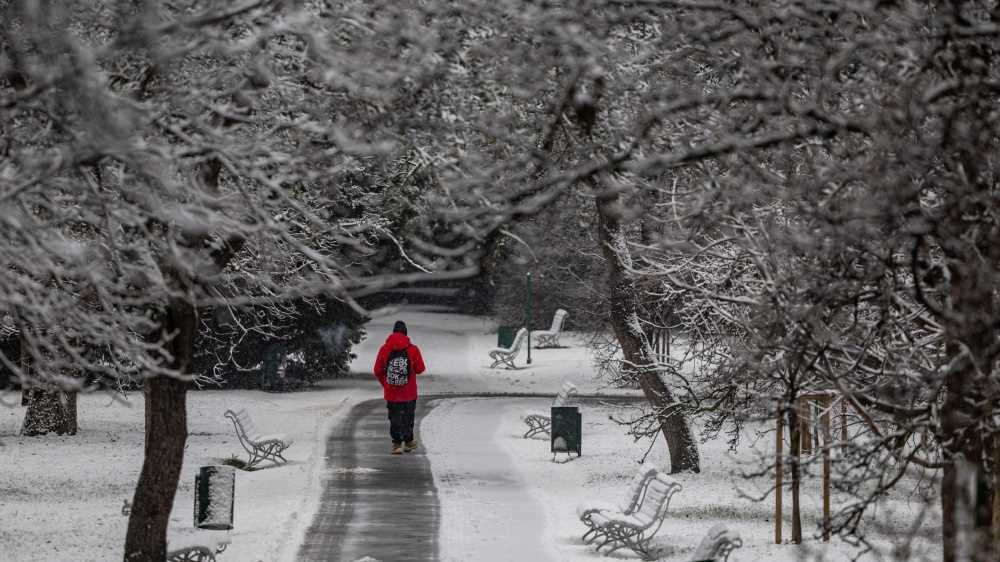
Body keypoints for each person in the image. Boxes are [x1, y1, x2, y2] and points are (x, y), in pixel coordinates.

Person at [373, 320, 426, 454]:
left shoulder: (384, 349)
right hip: (409, 392)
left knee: (394, 418)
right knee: (408, 417)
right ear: (406, 333)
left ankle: (396, 444)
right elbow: (420, 369)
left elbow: (377, 370)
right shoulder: (413, 349)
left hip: (392, 392)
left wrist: (386, 383)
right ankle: (408, 442)